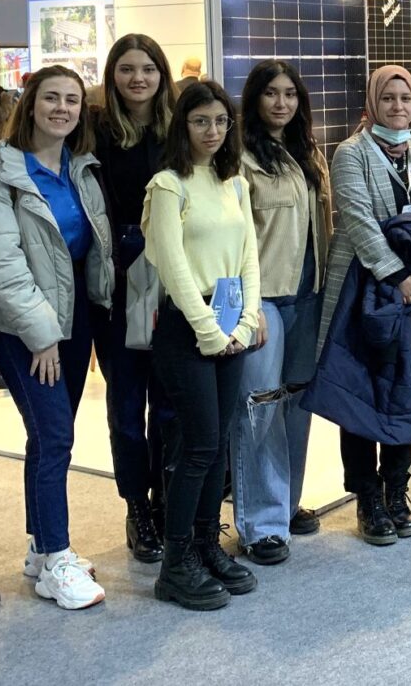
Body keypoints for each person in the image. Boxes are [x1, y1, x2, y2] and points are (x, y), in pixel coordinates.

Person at [0, 65, 113, 610]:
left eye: (71, 100)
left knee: (50, 435)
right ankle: (57, 558)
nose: (62, 108)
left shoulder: (82, 168)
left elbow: (92, 250)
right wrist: (42, 335)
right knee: (55, 435)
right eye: (51, 98)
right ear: (30, 104)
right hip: (23, 326)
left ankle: (39, 549)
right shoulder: (2, 173)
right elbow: (1, 263)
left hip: (75, 318)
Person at [318, 65, 411, 544]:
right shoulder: (350, 152)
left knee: (407, 385)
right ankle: (367, 497)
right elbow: (357, 219)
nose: (398, 106)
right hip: (366, 285)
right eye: (389, 98)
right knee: (361, 389)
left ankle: (397, 487)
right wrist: (397, 277)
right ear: (373, 102)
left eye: (406, 98)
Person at [143, 80, 262, 610]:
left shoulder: (233, 182)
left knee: (219, 445)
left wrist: (246, 321)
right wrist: (209, 332)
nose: (212, 131)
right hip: (187, 328)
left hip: (231, 322)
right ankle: (175, 564)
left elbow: (249, 257)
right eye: (200, 121)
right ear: (182, 125)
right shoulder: (168, 186)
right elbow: (172, 267)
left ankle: (206, 544)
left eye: (220, 121)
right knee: (198, 447)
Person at [229, 60, 331, 563]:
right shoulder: (239, 157)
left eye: (290, 93)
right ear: (254, 99)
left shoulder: (307, 152)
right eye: (271, 93)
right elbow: (234, 239)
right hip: (263, 300)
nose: (282, 103)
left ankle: (285, 505)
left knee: (296, 406)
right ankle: (260, 524)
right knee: (260, 409)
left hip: (307, 295)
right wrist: (249, 306)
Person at [90, 34, 177, 565]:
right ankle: (136, 506)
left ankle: (166, 499)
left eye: (147, 68)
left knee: (169, 401)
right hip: (118, 277)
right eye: (126, 69)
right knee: (126, 403)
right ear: (112, 75)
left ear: (162, 74)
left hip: (173, 275)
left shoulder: (178, 128)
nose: (138, 78)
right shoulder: (95, 131)